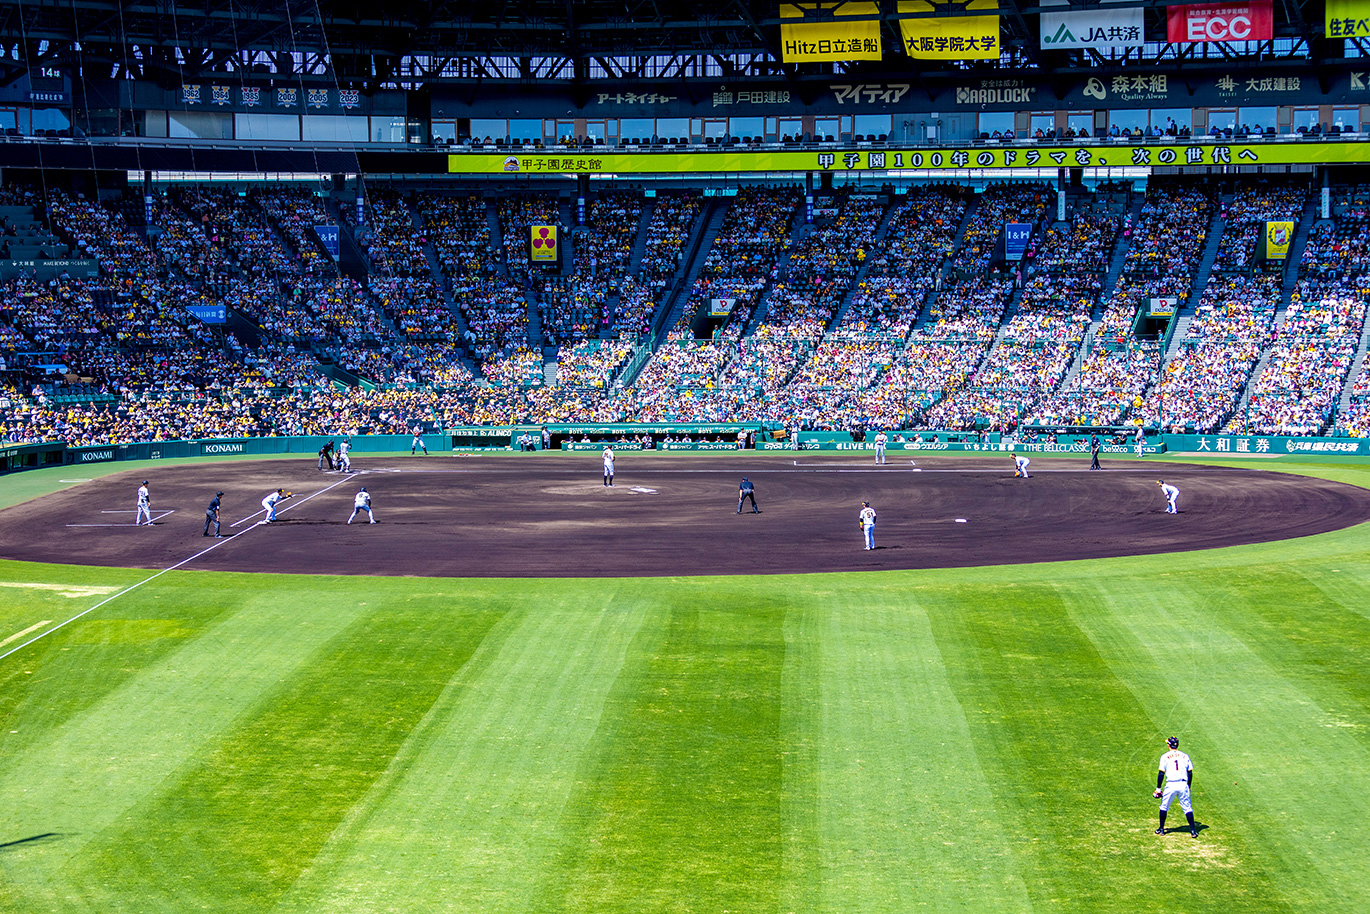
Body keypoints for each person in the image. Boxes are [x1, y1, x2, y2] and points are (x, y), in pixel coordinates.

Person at [1154, 736, 1199, 837]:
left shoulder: (1165, 756)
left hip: (1171, 784)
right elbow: (1190, 772)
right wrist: (1189, 786)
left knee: (1164, 806)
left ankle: (1161, 829)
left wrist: (1158, 788)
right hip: (1183, 784)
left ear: (1169, 745)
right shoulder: (1185, 756)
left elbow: (1161, 773)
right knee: (1187, 808)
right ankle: (1193, 831)